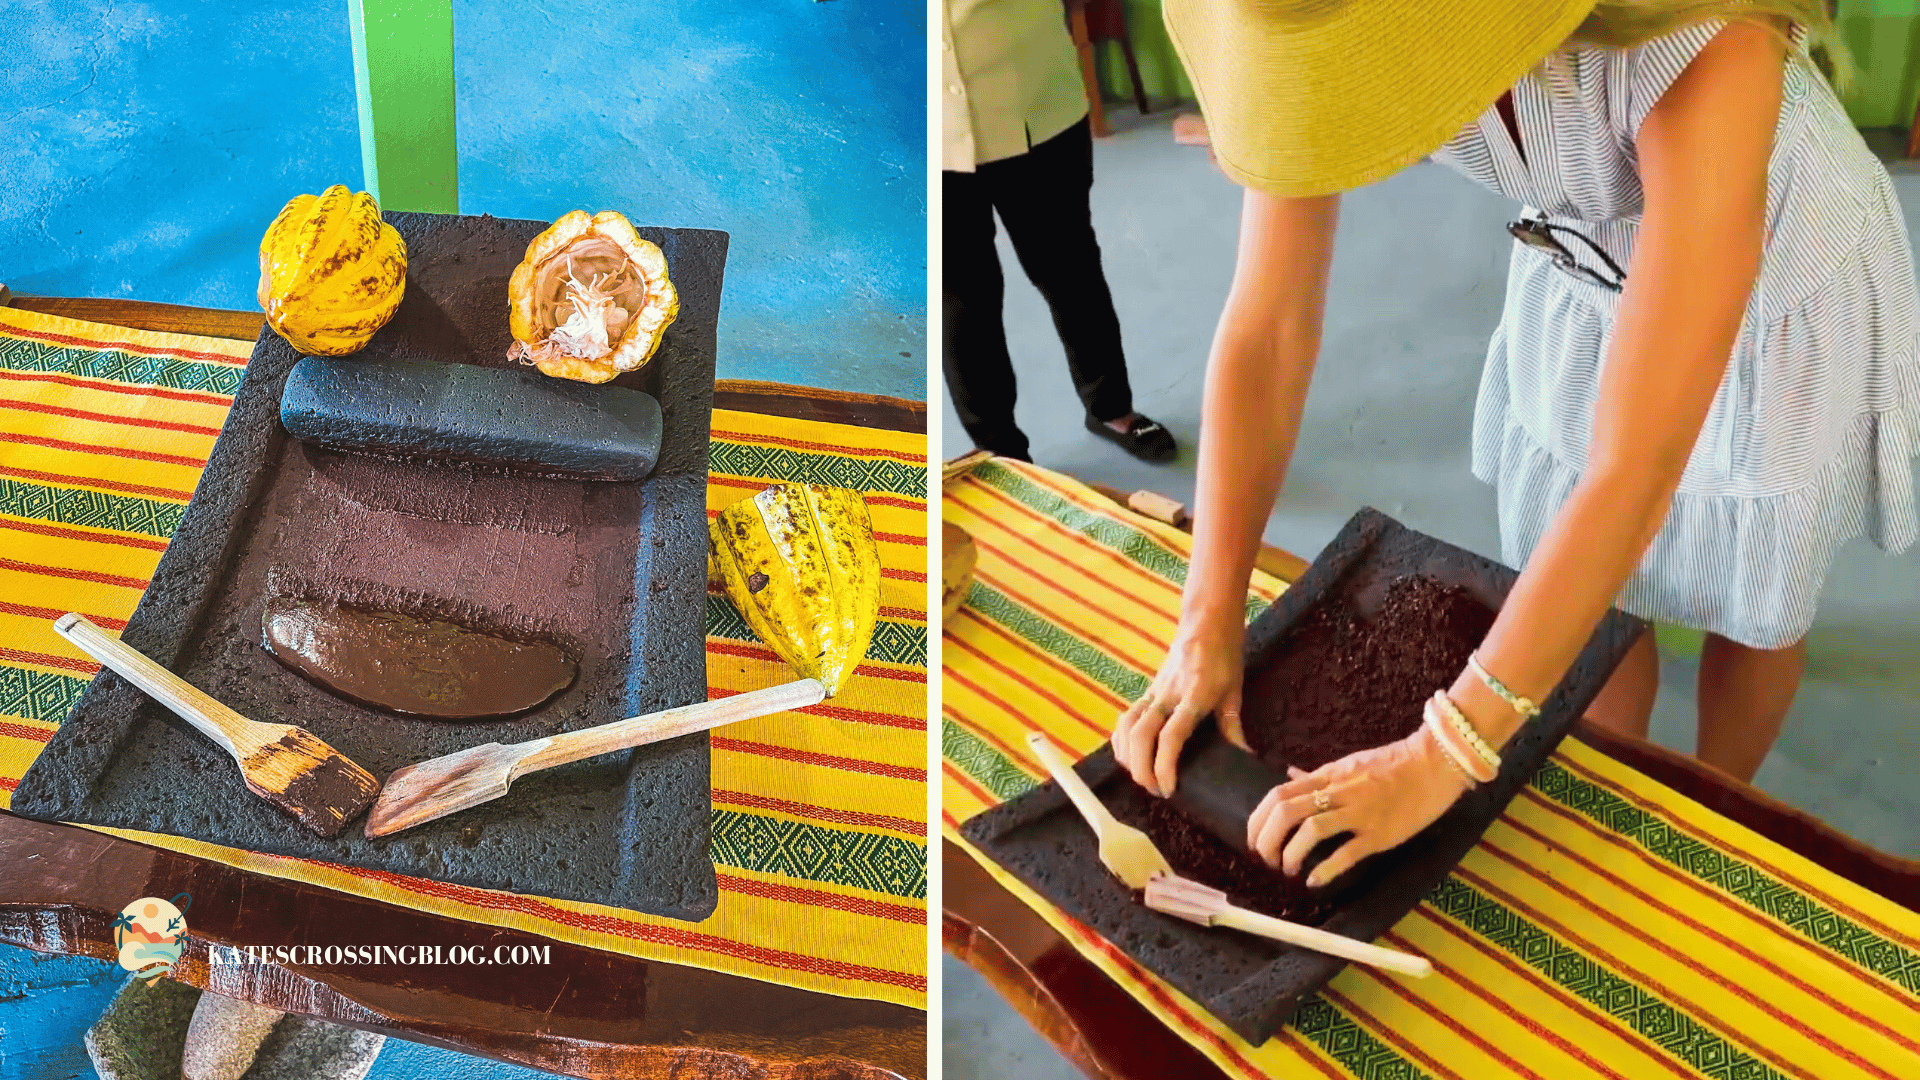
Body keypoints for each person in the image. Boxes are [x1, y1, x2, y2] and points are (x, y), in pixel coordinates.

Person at [1113, 0, 1916, 888]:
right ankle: (1616, 784)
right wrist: (1207, 617)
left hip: (1781, 276)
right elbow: (1269, 322)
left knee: (1758, 592)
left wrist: (1443, 751)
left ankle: (1710, 805)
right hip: (1583, 252)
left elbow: (1635, 469)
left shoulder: (1707, 45)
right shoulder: (1313, 18)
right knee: (1598, 603)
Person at [941, 0, 1177, 464]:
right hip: (924, 130)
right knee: (963, 298)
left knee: (1071, 270)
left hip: (1034, 97)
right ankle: (1001, 456)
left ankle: (1111, 408)